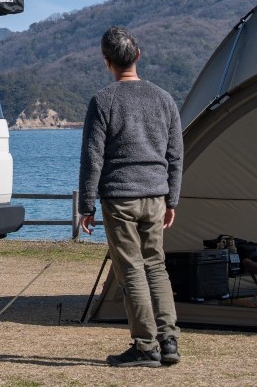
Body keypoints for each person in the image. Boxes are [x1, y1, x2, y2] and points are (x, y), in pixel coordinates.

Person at [78, 26, 184, 368]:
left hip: (120, 196)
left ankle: (145, 346)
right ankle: (169, 341)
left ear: (106, 62)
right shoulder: (164, 98)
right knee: (156, 265)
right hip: (155, 194)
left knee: (132, 270)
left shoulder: (103, 100)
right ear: (138, 56)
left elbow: (93, 157)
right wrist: (172, 200)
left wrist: (86, 205)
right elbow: (175, 154)